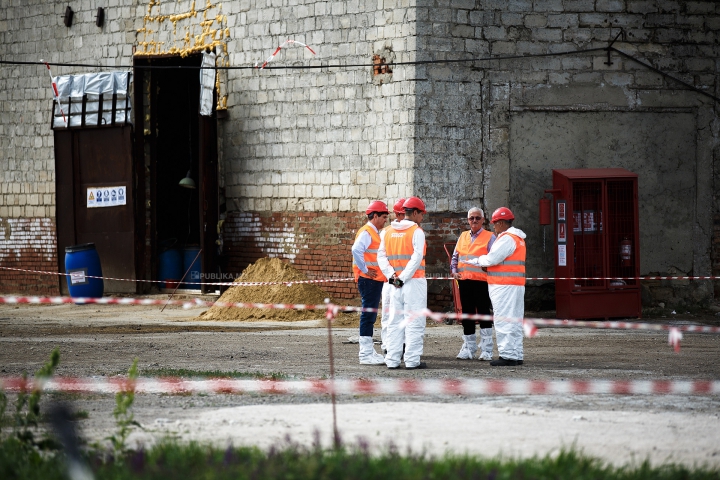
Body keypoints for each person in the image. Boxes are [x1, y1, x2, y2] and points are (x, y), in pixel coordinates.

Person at [466, 207, 526, 366]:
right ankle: (516, 354)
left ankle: (507, 355)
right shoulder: (518, 238)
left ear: (501, 222)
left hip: (504, 286)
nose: (493, 226)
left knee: (504, 320)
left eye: (494, 223)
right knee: (515, 321)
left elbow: (492, 259)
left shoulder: (506, 238)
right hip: (514, 285)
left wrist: (478, 261)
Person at [377, 196, 428, 370]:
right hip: (413, 283)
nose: (422, 218)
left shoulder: (387, 232)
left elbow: (381, 257)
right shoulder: (417, 232)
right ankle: (412, 361)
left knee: (394, 321)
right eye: (421, 214)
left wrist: (393, 277)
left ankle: (392, 359)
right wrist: (403, 278)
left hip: (394, 285)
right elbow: (417, 257)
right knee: (414, 321)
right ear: (414, 213)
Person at [451, 207, 496, 361]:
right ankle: (469, 349)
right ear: (468, 220)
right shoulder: (463, 236)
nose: (474, 221)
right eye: (471, 218)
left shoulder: (490, 237)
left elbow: (494, 259)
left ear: (483, 220)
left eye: (477, 218)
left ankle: (487, 350)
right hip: (464, 281)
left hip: (482, 282)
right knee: (467, 315)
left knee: (484, 314)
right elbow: (455, 257)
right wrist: (453, 270)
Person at [351, 200, 389, 365]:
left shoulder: (372, 231)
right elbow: (356, 250)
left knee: (370, 315)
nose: (385, 220)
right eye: (384, 216)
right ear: (375, 216)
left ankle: (368, 351)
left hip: (372, 280)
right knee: (368, 315)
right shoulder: (367, 232)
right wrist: (365, 270)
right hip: (369, 280)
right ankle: (365, 354)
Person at [379, 198, 405, 354]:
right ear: (399, 214)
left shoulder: (412, 231)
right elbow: (382, 256)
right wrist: (394, 276)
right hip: (393, 281)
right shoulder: (388, 232)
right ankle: (388, 346)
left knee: (402, 315)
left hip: (402, 280)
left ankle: (400, 345)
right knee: (389, 314)